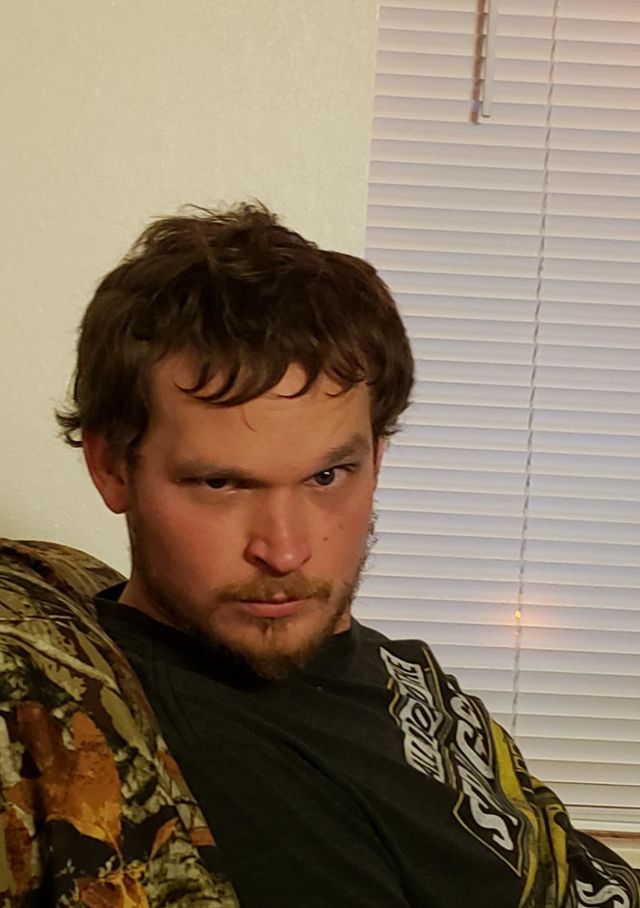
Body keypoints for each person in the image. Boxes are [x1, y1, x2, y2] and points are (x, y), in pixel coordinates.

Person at [56, 203, 639, 907]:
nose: (284, 550)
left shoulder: (367, 662)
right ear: (112, 468)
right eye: (220, 484)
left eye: (328, 476)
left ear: (377, 458)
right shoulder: (216, 768)